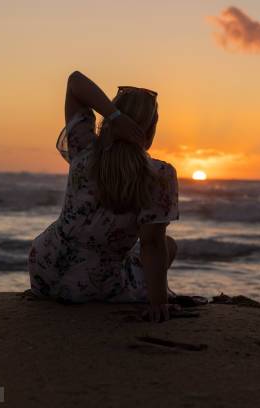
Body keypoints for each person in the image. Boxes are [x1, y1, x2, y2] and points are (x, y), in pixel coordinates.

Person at [28, 71, 179, 322]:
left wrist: (114, 115)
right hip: (93, 287)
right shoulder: (158, 174)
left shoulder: (84, 147)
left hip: (45, 270)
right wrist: (158, 303)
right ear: (150, 129)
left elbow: (75, 81)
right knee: (168, 245)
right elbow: (152, 245)